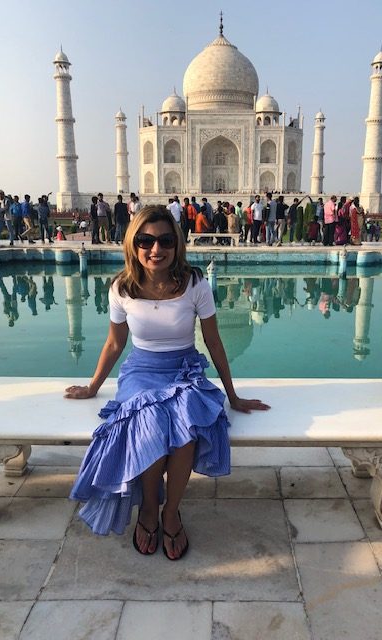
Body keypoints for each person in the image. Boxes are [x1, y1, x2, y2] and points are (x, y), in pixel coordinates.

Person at [65, 205, 269, 559]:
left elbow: (215, 342)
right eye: (146, 241)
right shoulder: (122, 288)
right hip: (142, 371)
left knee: (186, 426)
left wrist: (233, 396)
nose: (155, 250)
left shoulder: (194, 283)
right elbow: (115, 344)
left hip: (184, 369)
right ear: (134, 243)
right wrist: (93, 386)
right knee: (149, 423)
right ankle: (148, 508)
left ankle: (170, 511)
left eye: (165, 240)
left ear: (177, 244)